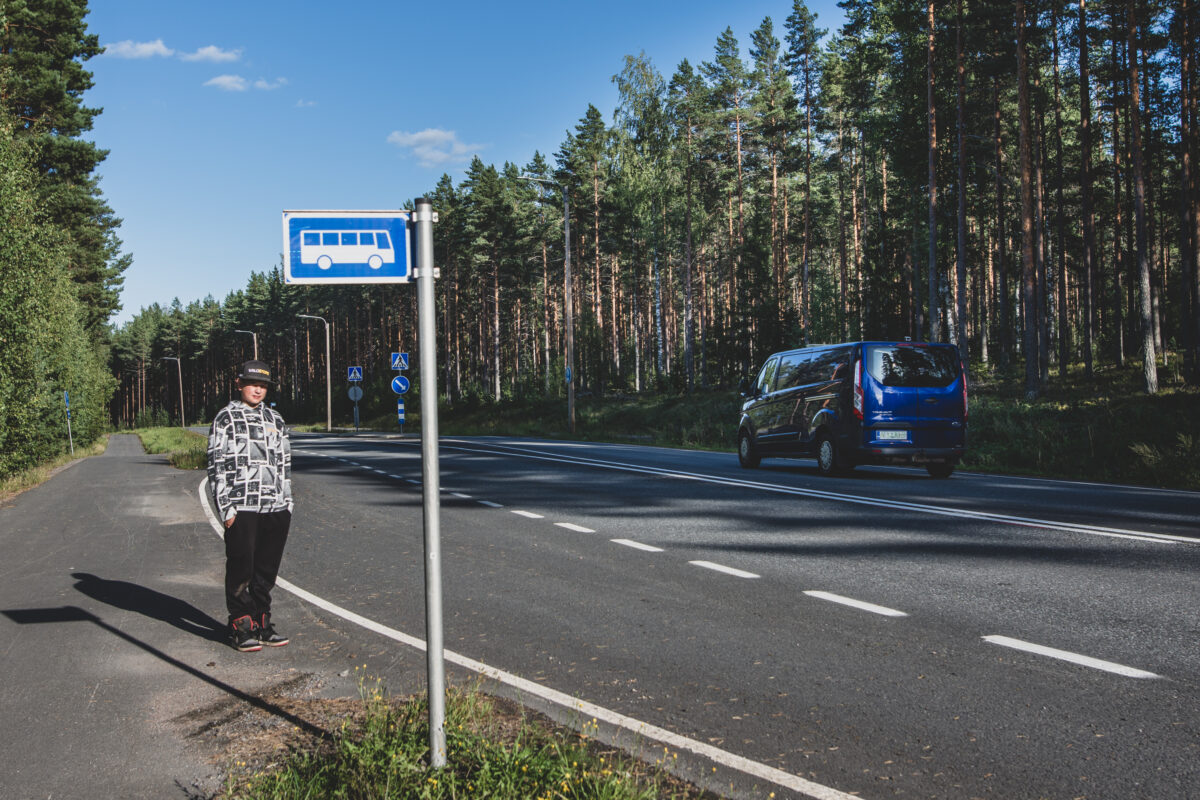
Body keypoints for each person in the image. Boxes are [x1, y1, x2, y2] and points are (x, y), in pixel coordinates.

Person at [206, 359, 294, 652]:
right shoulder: (226, 418)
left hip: (275, 507)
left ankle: (262, 623)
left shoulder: (276, 419)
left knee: (266, 571)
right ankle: (241, 626)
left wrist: (288, 503)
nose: (258, 390)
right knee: (241, 568)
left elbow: (285, 464)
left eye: (263, 385)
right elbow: (216, 465)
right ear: (240, 384)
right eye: (253, 384)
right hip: (241, 506)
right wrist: (225, 508)